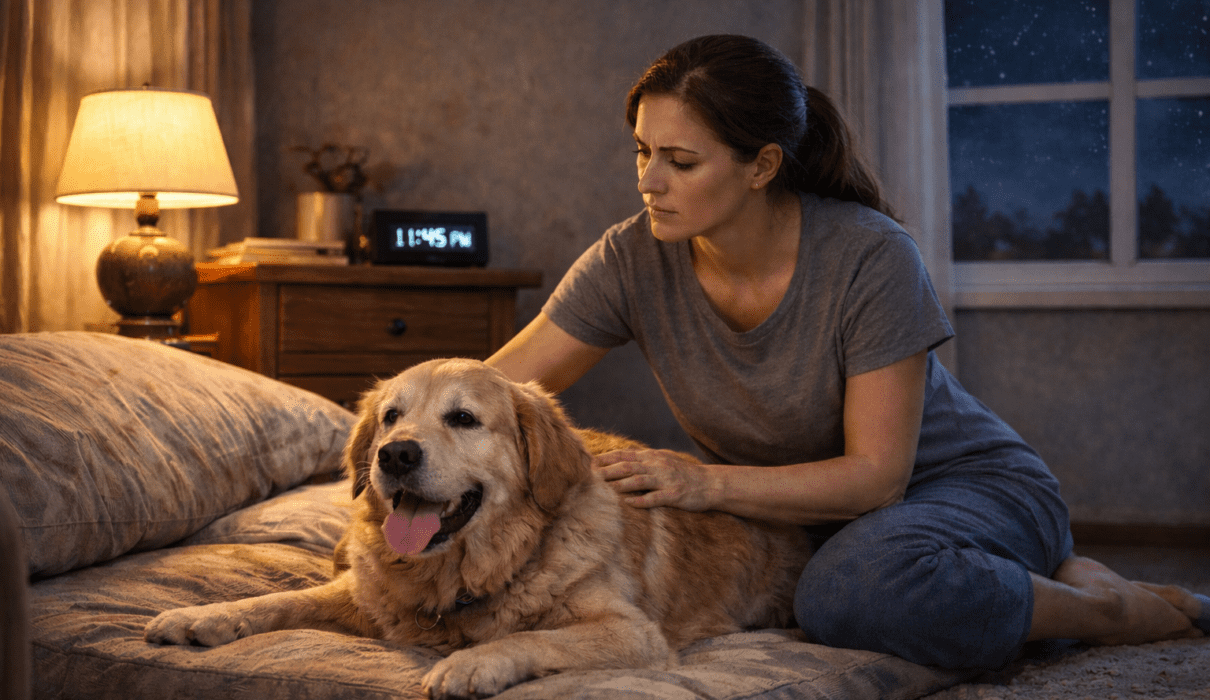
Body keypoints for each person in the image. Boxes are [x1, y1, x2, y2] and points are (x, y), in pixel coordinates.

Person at [486, 34, 1208, 669]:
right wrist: (394, 433)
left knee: (844, 594)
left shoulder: (870, 254)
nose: (647, 180)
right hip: (816, 521)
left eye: (679, 160)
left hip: (965, 490)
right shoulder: (629, 257)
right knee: (823, 580)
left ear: (762, 165)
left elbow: (876, 481)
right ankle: (1048, 579)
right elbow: (489, 391)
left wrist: (706, 483)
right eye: (643, 153)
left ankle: (1107, 613)